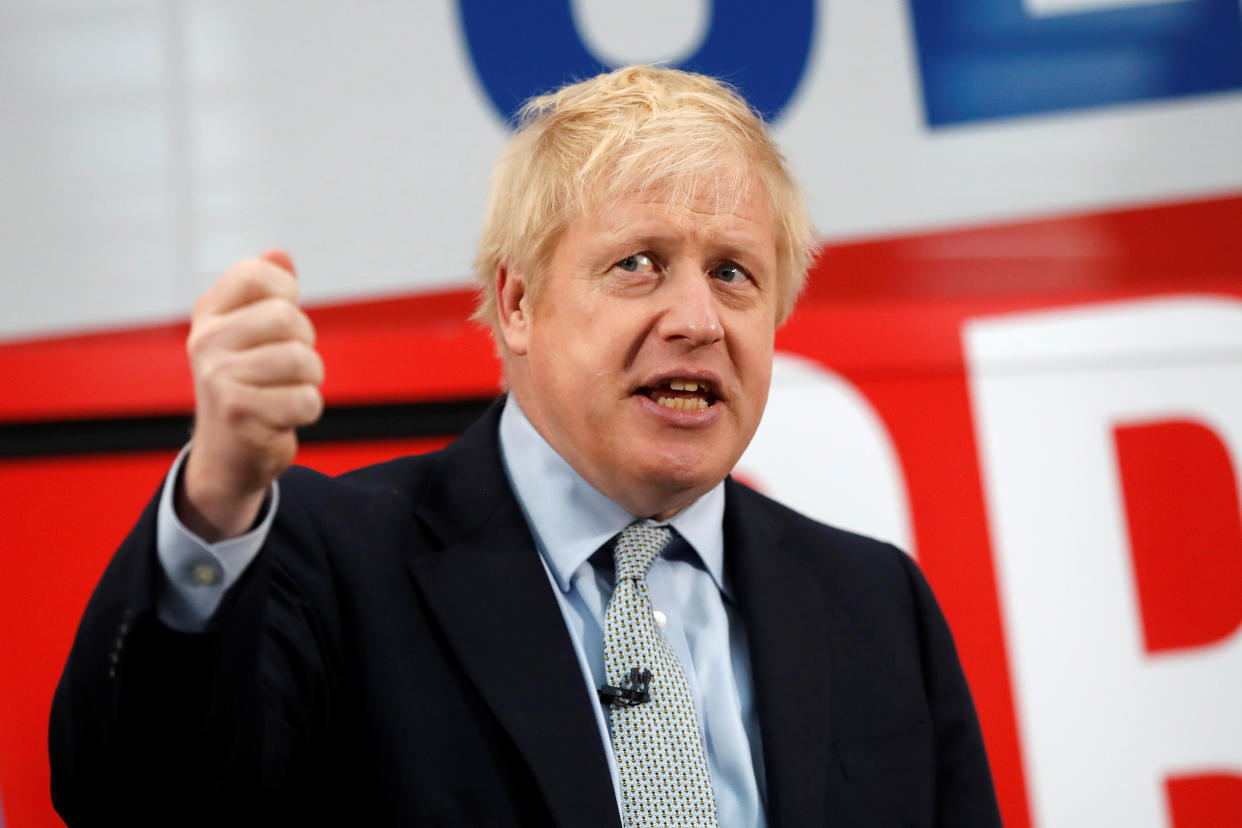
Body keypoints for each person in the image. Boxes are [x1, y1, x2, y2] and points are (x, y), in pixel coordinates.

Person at [50, 66, 1002, 827]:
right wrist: (216, 495)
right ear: (517, 304)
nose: (698, 319)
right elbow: (137, 800)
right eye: (639, 264)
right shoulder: (326, 561)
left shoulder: (878, 604)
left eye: (733, 273)